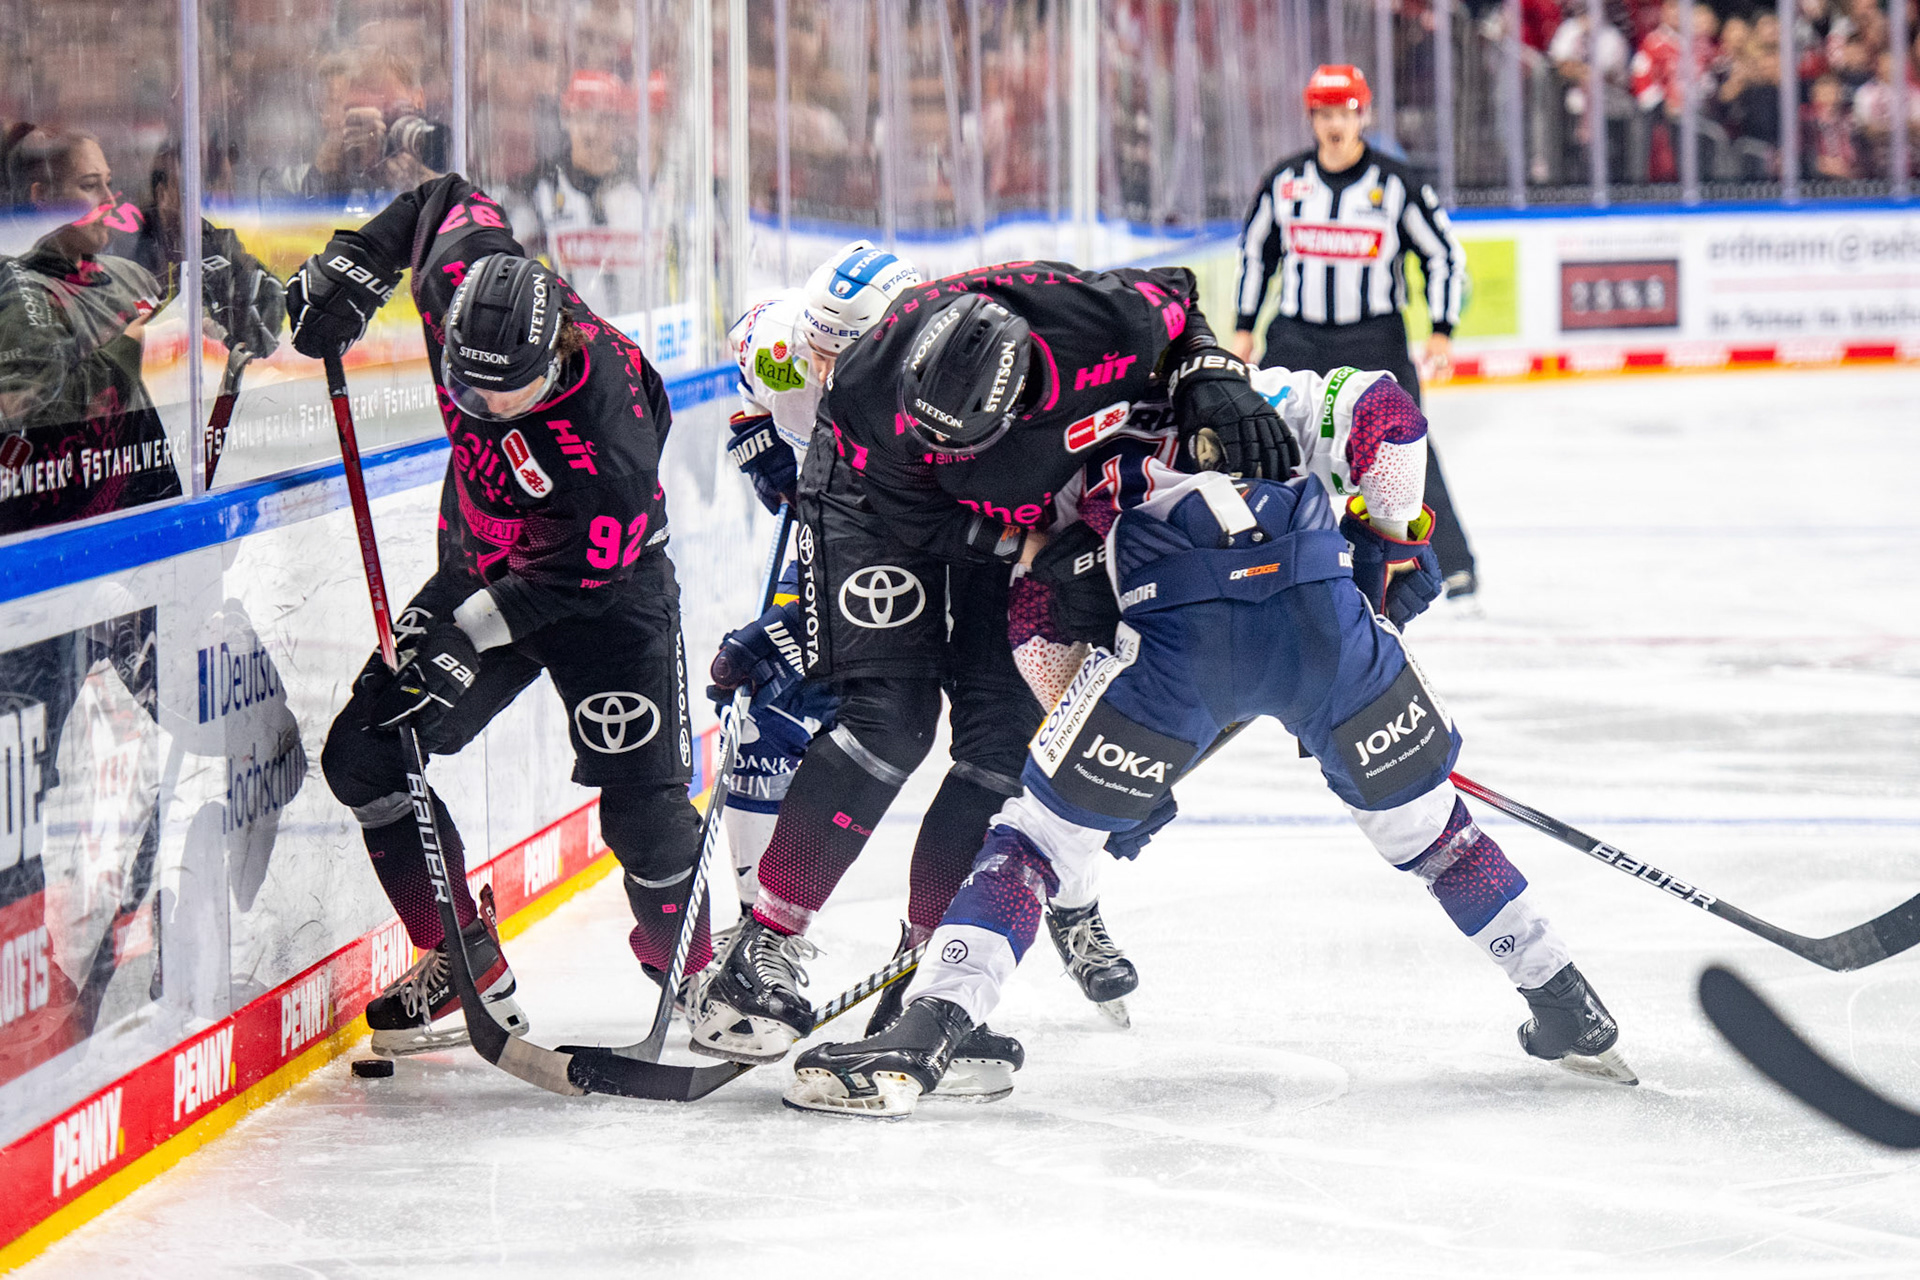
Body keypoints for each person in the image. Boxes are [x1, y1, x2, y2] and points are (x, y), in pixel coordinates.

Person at [783, 364, 1633, 1118]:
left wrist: (1090, 752)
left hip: (1179, 659)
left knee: (1033, 843)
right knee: (1435, 834)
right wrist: (1386, 551)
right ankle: (1563, 996)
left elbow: (1038, 612)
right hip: (1328, 632)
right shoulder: (1265, 392)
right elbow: (1387, 413)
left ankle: (924, 1034)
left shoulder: (1053, 448)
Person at [688, 258, 1296, 1075]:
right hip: (882, 505)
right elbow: (892, 520)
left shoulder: (1094, 320)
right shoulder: (858, 391)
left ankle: (930, 979)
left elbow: (1179, 294)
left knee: (998, 753)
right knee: (889, 722)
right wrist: (1027, 547)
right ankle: (760, 949)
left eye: (961, 442)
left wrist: (1207, 366)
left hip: (1035, 512)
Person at [289, 174, 708, 1056]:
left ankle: (697, 974)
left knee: (643, 811)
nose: (478, 411)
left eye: (503, 396)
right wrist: (359, 265)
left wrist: (461, 637)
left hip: (607, 598)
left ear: (555, 359)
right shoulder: (467, 288)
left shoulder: (611, 435)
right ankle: (462, 961)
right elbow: (442, 196)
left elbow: (572, 582)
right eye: (465, 391)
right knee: (366, 757)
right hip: (483, 563)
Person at [709, 240, 921, 920]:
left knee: (992, 743)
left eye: (844, 355)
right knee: (761, 713)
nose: (823, 373)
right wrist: (760, 445)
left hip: (920, 555)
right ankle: (755, 923)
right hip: (831, 529)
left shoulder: (940, 383)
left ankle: (1069, 898)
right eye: (816, 352)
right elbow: (750, 389)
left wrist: (797, 622)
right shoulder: (774, 344)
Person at [1227, 65, 1479, 600]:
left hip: (1375, 337)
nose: (1334, 123)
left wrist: (1441, 328)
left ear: (1364, 114)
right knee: (1268, 441)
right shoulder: (1285, 180)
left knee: (1405, 447)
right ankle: (1265, 557)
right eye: (1323, 113)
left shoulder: (1396, 184)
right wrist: (1245, 327)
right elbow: (1256, 254)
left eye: (1344, 111)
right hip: (1296, 335)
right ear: (1311, 117)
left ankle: (1442, 562)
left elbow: (1442, 256)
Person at [0, 128, 184, 535]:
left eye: (110, 183)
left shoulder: (132, 277)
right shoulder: (21, 295)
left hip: (139, 522)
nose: (109, 200)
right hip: (63, 538)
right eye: (89, 185)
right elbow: (28, 414)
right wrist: (129, 348)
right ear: (41, 199)